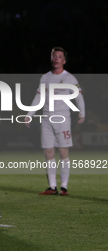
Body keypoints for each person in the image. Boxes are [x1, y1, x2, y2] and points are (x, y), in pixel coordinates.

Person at [25, 47, 85, 196]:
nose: (56, 59)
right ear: (51, 59)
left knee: (63, 151)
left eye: (59, 56)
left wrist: (81, 112)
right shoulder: (45, 77)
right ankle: (52, 187)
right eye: (54, 56)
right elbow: (38, 97)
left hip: (63, 119)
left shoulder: (70, 78)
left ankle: (64, 187)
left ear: (64, 61)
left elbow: (78, 96)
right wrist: (29, 114)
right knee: (48, 152)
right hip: (46, 119)